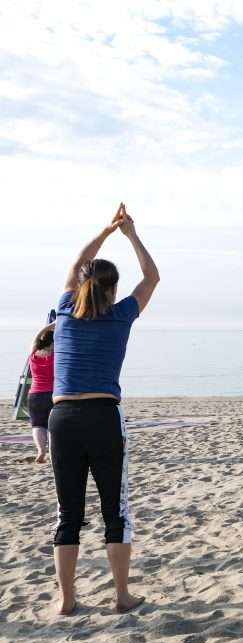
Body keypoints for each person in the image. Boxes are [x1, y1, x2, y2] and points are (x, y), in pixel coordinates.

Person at [49, 202, 158, 616]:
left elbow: (79, 262)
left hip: (61, 419)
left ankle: (67, 599)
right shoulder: (121, 315)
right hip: (102, 415)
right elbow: (152, 277)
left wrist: (107, 231)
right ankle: (121, 595)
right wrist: (130, 234)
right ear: (112, 290)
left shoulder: (64, 310)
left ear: (81, 286)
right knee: (115, 509)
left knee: (68, 512)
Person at [27, 322, 56, 463]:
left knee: (37, 424)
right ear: (52, 343)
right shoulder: (55, 356)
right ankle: (52, 452)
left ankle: (41, 451)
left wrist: (49, 325)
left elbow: (36, 337)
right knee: (52, 425)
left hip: (35, 395)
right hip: (52, 394)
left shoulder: (33, 354)